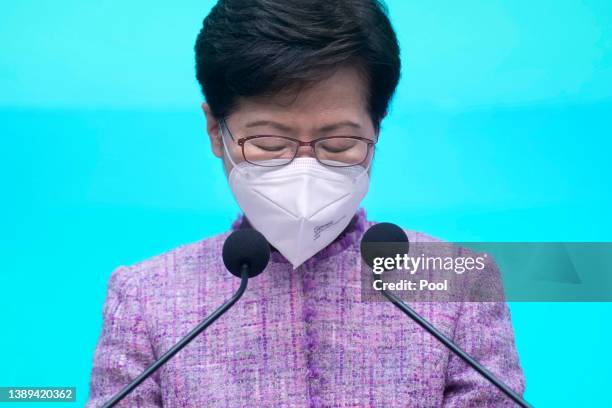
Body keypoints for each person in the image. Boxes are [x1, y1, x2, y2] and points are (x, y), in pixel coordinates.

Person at [86, 1, 525, 406]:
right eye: (269, 142)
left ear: (377, 129)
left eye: (338, 143)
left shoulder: (459, 287)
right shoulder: (147, 299)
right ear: (215, 131)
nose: (304, 170)